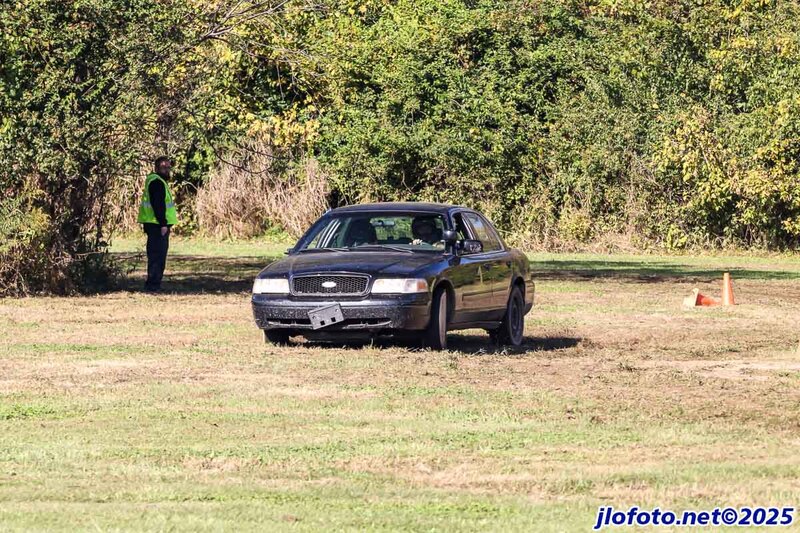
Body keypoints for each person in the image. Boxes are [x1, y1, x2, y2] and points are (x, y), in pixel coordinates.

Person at [137, 156, 178, 292]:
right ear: (157, 168)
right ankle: (153, 285)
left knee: (156, 255)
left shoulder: (156, 181)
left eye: (168, 167)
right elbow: (158, 205)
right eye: (164, 168)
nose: (167, 170)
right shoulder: (157, 182)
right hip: (157, 225)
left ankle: (153, 283)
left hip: (153, 224)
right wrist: (163, 224)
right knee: (157, 256)